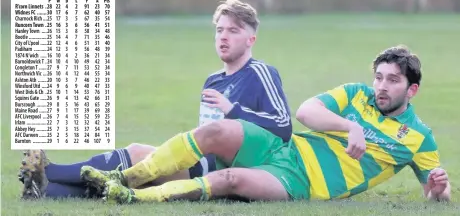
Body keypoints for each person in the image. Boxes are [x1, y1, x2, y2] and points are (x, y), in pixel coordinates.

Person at [80, 45, 451, 204]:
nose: (382, 87)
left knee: (230, 181)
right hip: (285, 148)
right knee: (216, 131)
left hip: (300, 182)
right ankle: (126, 178)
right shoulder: (356, 94)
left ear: (412, 89)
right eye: (379, 77)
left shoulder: (419, 139)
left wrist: (438, 189)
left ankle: (132, 197)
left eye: (392, 81)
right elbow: (304, 112)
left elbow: (435, 198)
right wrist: (349, 126)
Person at [19, 0, 292, 200]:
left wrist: (233, 109)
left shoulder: (260, 72)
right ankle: (48, 191)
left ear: (250, 39)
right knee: (142, 179)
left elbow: (283, 127)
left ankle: (51, 172)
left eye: (233, 30)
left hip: (239, 170)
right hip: (204, 161)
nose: (223, 36)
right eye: (220, 30)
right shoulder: (214, 80)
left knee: (140, 154)